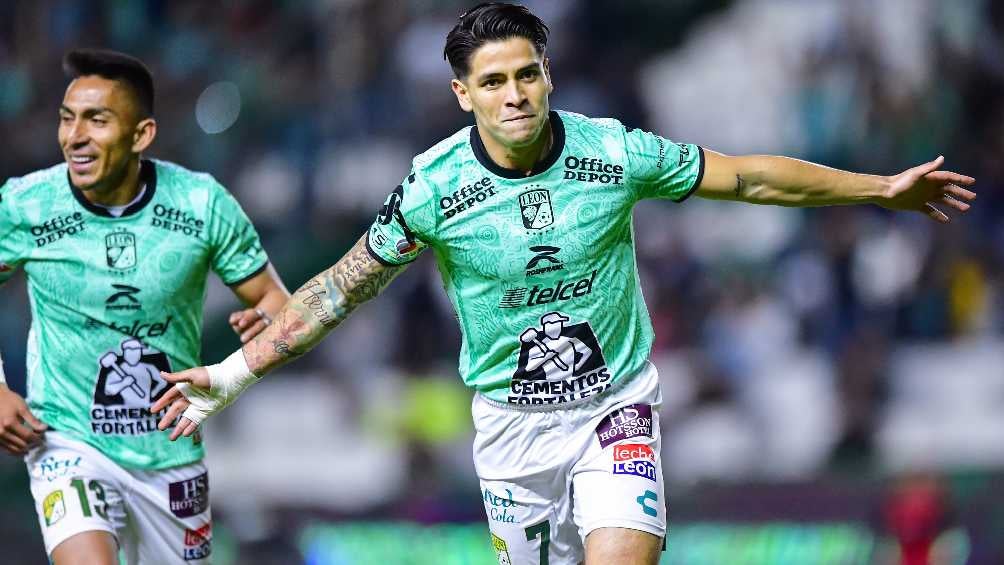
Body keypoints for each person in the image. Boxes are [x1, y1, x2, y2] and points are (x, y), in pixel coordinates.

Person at [152, 3, 976, 564]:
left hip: (615, 407)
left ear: (548, 73)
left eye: (526, 75)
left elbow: (749, 177)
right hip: (512, 431)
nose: (514, 95)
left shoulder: (613, 152)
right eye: (493, 82)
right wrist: (234, 373)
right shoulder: (434, 188)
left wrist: (879, 187)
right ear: (463, 94)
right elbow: (343, 287)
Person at [0, 48, 289, 565]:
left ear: (141, 134)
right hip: (68, 442)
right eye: (67, 119)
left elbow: (275, 301)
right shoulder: (25, 205)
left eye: (96, 120)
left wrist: (265, 323)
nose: (74, 136)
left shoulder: (202, 204)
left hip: (171, 454)